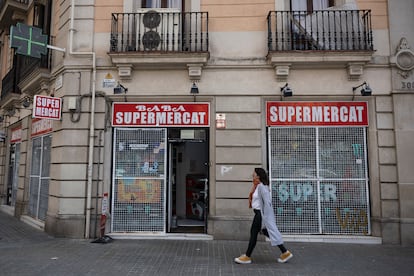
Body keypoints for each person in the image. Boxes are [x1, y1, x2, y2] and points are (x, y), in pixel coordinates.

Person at [234, 167, 293, 264]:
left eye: (254, 173)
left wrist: (266, 218)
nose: (252, 174)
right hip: (259, 214)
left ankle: (247, 256)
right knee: (266, 232)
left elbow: (267, 202)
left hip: (260, 215)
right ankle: (285, 252)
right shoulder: (257, 186)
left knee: (253, 234)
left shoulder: (261, 186)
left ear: (258, 176)